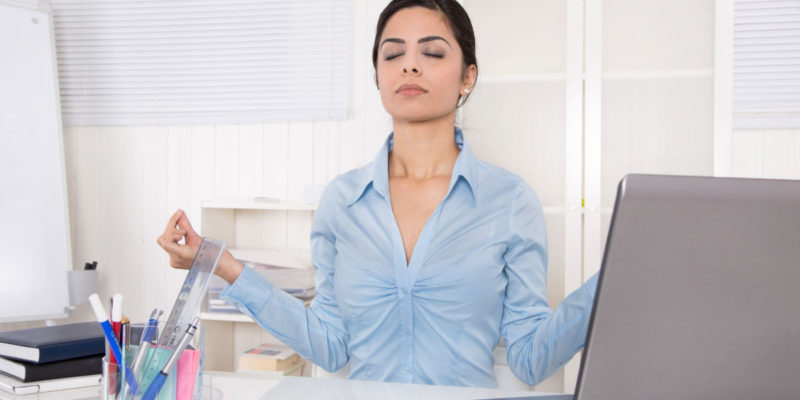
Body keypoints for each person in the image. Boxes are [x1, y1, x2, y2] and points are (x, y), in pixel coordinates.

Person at [157, 0, 598, 388]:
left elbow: (530, 357)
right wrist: (226, 266)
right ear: (378, 76)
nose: (410, 65)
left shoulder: (510, 201)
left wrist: (616, 280)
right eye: (393, 54)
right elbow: (330, 347)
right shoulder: (342, 201)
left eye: (432, 52)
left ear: (468, 76)